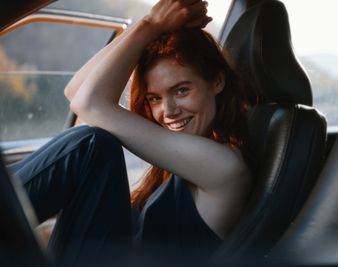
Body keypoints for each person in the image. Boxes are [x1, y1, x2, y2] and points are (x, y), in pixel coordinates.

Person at [9, 0, 253, 265]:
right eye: (155, 98)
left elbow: (87, 103)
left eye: (182, 90)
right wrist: (149, 24)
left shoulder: (225, 166)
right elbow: (76, 92)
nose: (168, 111)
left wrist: (152, 25)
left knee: (92, 145)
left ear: (217, 81)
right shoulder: (183, 160)